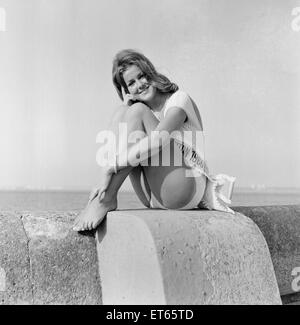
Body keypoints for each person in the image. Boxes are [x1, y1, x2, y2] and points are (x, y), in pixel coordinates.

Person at [73, 49, 235, 232]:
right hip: (152, 195)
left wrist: (110, 167)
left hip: (185, 188)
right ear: (127, 91)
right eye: (131, 83)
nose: (140, 85)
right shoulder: (139, 111)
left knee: (136, 112)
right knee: (122, 113)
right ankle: (103, 195)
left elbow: (158, 140)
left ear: (151, 72)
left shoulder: (179, 100)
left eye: (142, 76)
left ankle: (106, 199)